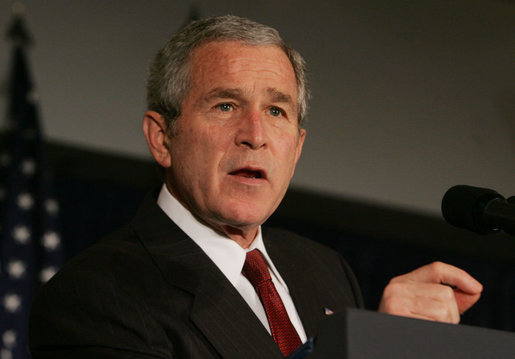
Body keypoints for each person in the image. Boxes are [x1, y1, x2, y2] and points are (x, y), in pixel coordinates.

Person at [29, 15, 482, 359]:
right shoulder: (95, 295)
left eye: (277, 111)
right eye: (225, 105)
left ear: (298, 147)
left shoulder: (324, 270)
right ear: (161, 138)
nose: (255, 134)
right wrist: (371, 346)